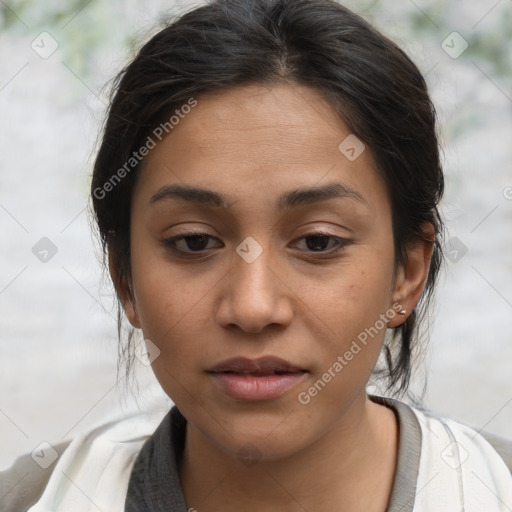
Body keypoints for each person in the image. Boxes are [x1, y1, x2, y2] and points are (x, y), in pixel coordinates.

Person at [1, 0, 511, 510]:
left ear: (408, 272)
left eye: (318, 242)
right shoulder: (39, 497)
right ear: (125, 278)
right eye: (194, 241)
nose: (252, 307)